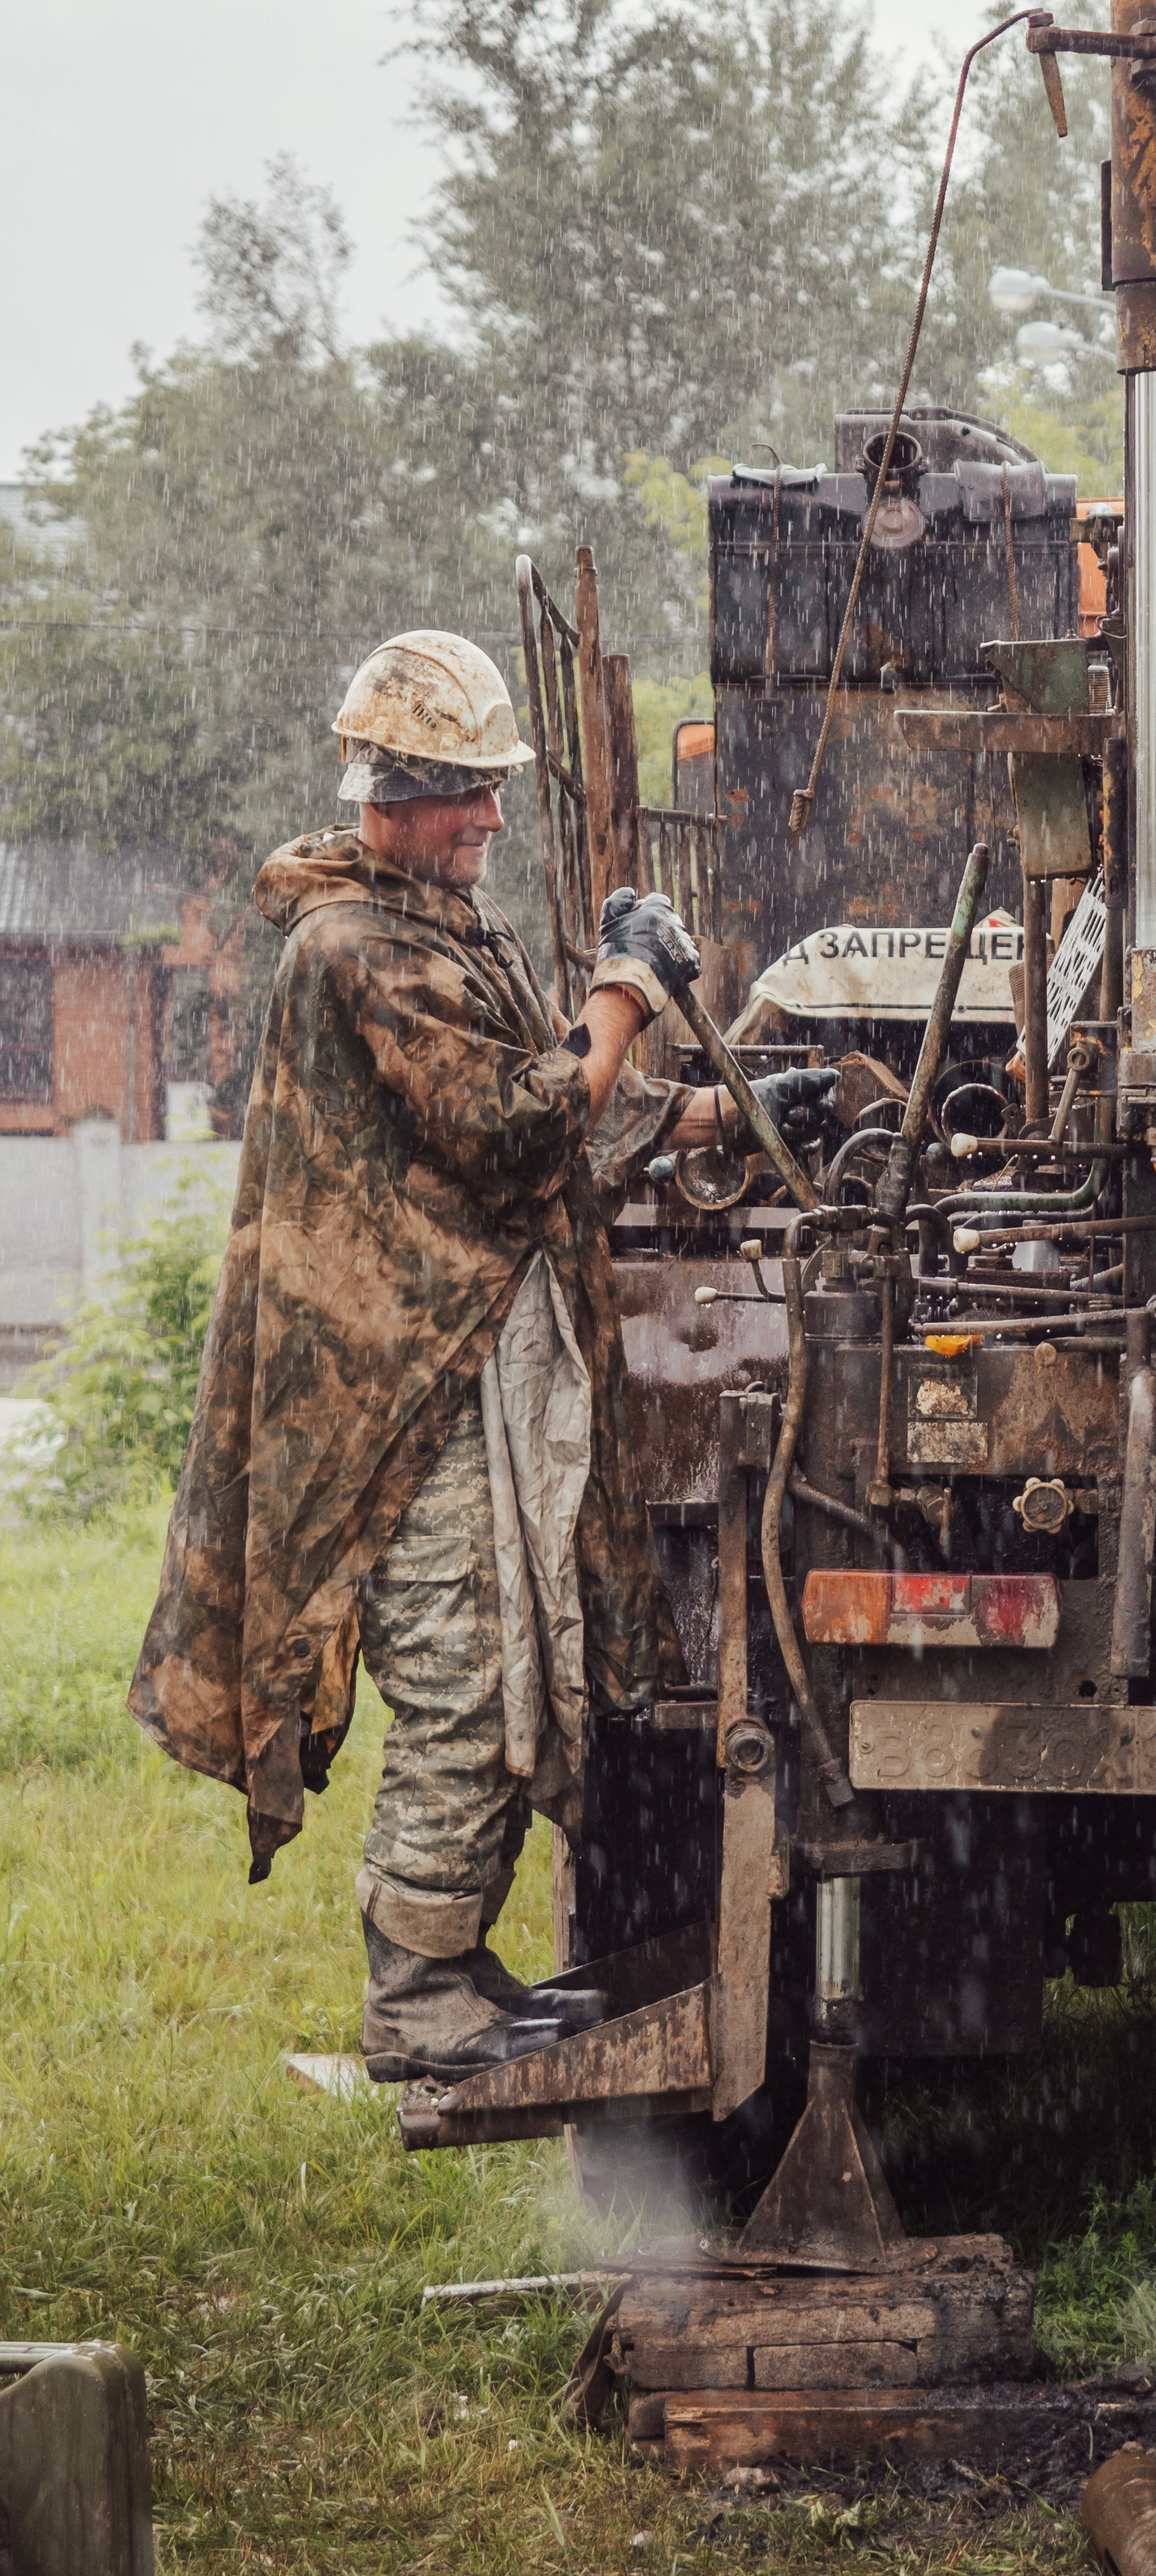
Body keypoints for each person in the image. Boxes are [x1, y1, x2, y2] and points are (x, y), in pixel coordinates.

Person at [129, 630, 837, 2082]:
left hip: (460, 1366)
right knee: (463, 1679)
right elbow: (520, 1124)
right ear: (395, 792)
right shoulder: (356, 950)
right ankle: (413, 1992)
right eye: (471, 791)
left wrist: (737, 1111)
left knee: (523, 1665)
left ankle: (449, 1958)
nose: (495, 816)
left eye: (497, 788)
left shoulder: (448, 926)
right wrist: (625, 986)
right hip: (394, 1392)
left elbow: (570, 1099)